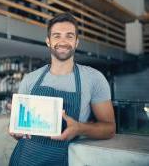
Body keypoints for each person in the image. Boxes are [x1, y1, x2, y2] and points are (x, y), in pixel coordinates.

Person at [8, 12, 116, 166]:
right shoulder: (30, 79)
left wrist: (79, 128)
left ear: (77, 42)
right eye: (57, 36)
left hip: (61, 160)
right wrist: (15, 130)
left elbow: (109, 128)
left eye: (69, 36)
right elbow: (19, 130)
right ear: (48, 41)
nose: (63, 41)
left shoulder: (94, 78)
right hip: (24, 159)